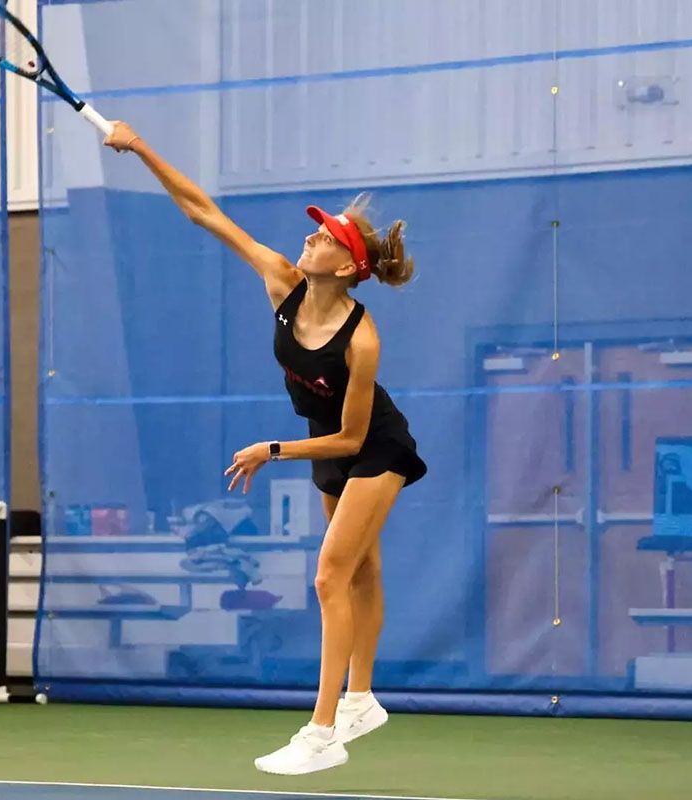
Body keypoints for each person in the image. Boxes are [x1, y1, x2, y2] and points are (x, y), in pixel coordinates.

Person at [103, 121, 427, 776]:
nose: (306, 237)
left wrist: (271, 450)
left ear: (344, 265)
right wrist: (140, 150)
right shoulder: (282, 281)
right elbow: (204, 213)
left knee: (331, 574)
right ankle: (363, 699)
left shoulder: (362, 340)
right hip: (323, 439)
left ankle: (323, 729)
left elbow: (355, 437)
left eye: (323, 236)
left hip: (372, 444)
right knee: (359, 566)